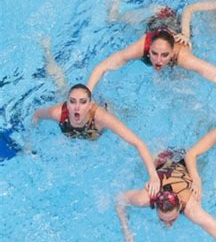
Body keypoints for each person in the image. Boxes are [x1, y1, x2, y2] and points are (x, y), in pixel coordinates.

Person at [90, 0, 216, 118]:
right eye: (154, 54)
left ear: (172, 52)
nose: (158, 60)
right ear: (148, 49)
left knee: (181, 81)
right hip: (154, 14)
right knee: (113, 18)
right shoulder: (141, 45)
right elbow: (102, 67)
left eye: (165, 55)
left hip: (172, 19)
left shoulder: (183, 56)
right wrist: (87, 96)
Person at [32, 83, 160, 196]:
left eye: (83, 102)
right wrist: (30, 140)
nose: (77, 107)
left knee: (127, 116)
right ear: (67, 104)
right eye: (72, 102)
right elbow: (37, 115)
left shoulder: (101, 117)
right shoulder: (57, 113)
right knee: (61, 85)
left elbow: (138, 142)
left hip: (105, 116)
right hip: (78, 131)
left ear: (89, 105)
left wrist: (153, 176)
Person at [115, 149, 216, 242]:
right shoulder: (144, 198)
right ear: (154, 204)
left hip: (185, 164)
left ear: (180, 205)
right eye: (162, 219)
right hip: (163, 159)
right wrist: (127, 234)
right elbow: (119, 200)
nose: (168, 225)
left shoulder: (191, 209)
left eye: (172, 219)